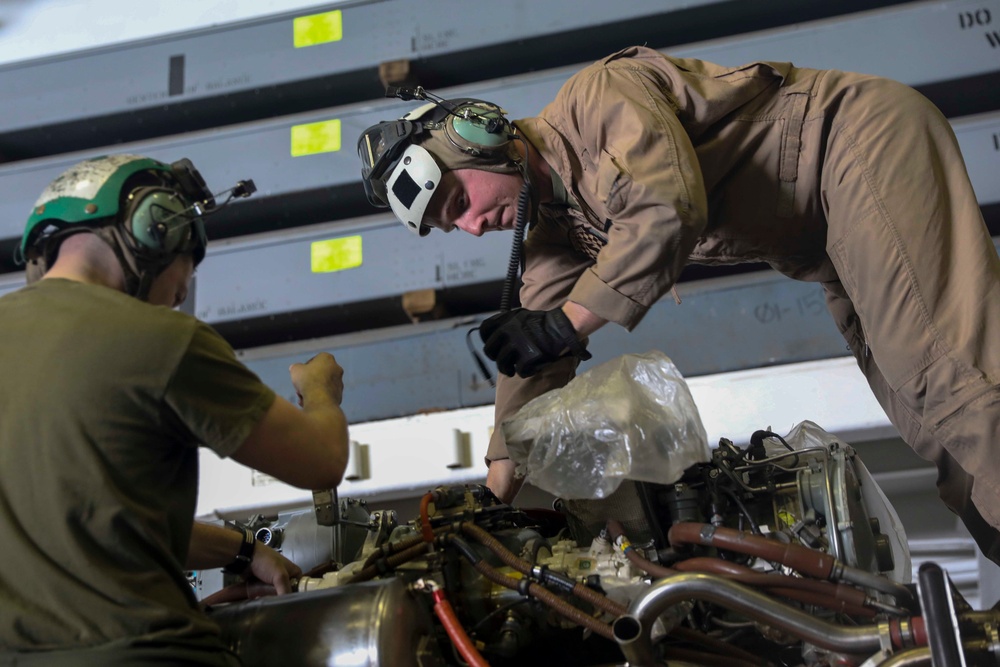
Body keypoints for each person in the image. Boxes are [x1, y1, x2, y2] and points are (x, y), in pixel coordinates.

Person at [357, 46, 1000, 564]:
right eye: (448, 226)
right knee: (928, 425)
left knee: (949, 380)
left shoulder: (596, 99)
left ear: (478, 133)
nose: (469, 228)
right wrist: (494, 498)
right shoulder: (553, 233)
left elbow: (666, 207)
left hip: (857, 145)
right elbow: (532, 377)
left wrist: (566, 322)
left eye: (456, 203)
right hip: (825, 242)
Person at [0, 154, 350, 666]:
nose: (180, 296)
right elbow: (320, 460)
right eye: (184, 276)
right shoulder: (160, 338)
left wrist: (244, 552)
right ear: (156, 230)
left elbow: (103, 518)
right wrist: (320, 391)